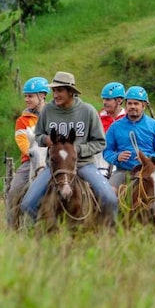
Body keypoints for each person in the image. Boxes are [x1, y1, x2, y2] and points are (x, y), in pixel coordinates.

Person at [20, 71, 118, 226]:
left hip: (83, 164)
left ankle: (109, 233)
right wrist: (46, 139)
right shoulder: (47, 111)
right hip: (54, 167)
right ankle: (42, 230)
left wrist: (76, 151)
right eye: (54, 90)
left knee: (109, 198)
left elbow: (100, 142)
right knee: (27, 204)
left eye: (59, 90)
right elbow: (38, 135)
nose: (55, 94)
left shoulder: (88, 111)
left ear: (70, 92)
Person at [103, 85, 155, 230]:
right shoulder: (115, 127)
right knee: (108, 194)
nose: (132, 107)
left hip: (152, 173)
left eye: (136, 103)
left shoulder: (154, 126)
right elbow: (106, 151)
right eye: (130, 103)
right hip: (124, 171)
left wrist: (149, 159)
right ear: (125, 104)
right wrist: (117, 157)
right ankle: (111, 230)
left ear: (144, 105)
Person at [6, 76, 49, 229]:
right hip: (30, 161)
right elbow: (22, 142)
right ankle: (13, 228)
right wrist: (35, 153)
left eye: (30, 96)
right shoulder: (22, 120)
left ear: (42, 95)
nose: (26, 99)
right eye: (25, 96)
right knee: (14, 191)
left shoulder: (55, 115)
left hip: (53, 160)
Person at [95, 81, 126, 178]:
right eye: (104, 99)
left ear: (119, 100)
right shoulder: (97, 118)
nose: (104, 102)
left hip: (122, 163)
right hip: (99, 163)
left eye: (108, 99)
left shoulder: (128, 119)